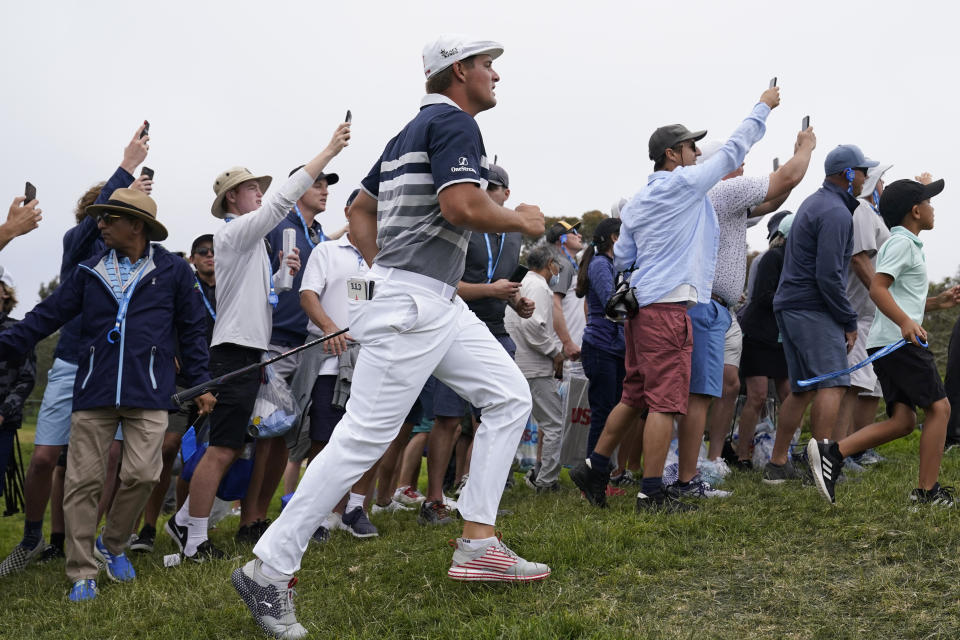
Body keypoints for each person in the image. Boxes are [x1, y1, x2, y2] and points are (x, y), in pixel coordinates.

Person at [233, 34, 548, 639]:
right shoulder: (456, 125)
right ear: (459, 72)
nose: (495, 77)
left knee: (510, 397)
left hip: (432, 300)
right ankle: (267, 570)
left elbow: (358, 209)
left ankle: (478, 541)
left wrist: (387, 271)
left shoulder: (406, 133)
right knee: (359, 440)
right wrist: (519, 218)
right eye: (488, 66)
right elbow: (460, 206)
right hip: (415, 304)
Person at [569, 83, 779, 511]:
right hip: (668, 310)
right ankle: (652, 491)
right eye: (690, 148)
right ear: (672, 155)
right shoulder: (682, 185)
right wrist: (763, 107)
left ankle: (594, 467)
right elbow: (732, 150)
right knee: (665, 402)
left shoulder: (640, 199)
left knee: (635, 396)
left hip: (641, 310)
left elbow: (625, 255)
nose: (697, 155)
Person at [0, 188, 215, 602]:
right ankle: (82, 572)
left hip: (150, 391)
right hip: (94, 391)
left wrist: (201, 382)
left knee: (144, 475)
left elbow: (192, 331)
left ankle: (112, 544)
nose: (99, 223)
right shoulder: (89, 269)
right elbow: (46, 316)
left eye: (108, 217)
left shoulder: (172, 270)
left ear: (136, 225)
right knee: (82, 483)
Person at [168, 124, 348, 562]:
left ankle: (188, 525)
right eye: (252, 190)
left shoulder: (246, 244)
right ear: (233, 198)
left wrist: (278, 276)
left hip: (248, 349)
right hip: (234, 351)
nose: (260, 196)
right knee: (224, 447)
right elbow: (284, 201)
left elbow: (256, 298)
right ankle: (192, 538)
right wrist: (327, 151)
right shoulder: (234, 232)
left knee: (232, 444)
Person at [0, 125, 149, 577]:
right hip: (69, 361)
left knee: (107, 459)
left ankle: (90, 540)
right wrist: (126, 167)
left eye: (115, 215)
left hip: (114, 368)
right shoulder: (76, 244)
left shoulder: (137, 260)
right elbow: (89, 228)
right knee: (47, 457)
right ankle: (32, 538)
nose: (105, 223)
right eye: (100, 214)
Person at [807, 177, 959, 505]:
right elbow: (878, 287)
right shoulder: (902, 244)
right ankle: (927, 492)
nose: (934, 208)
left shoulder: (905, 243)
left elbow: (902, 297)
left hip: (887, 341)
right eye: (929, 202)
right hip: (897, 342)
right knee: (940, 408)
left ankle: (833, 453)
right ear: (916, 211)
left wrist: (936, 302)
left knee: (904, 420)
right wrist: (905, 322)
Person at [679, 130, 814, 488]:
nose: (741, 163)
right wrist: (803, 149)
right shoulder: (722, 191)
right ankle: (690, 466)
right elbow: (786, 179)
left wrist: (788, 173)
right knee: (702, 390)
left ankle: (711, 459)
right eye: (734, 158)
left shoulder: (725, 198)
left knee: (728, 384)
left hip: (725, 310)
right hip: (709, 306)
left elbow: (773, 200)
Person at [421, 161, 533, 522]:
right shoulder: (463, 224)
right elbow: (444, 284)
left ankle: (477, 494)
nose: (485, 194)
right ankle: (433, 499)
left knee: (499, 415)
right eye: (480, 187)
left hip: (497, 330)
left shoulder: (513, 234)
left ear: (506, 193)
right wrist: (491, 289)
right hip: (455, 329)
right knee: (448, 420)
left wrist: (518, 301)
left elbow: (504, 285)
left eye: (492, 188)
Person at [239, 167, 341, 543]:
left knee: (285, 436)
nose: (324, 190)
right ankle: (249, 520)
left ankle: (261, 516)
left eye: (327, 185)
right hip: (273, 340)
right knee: (267, 431)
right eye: (317, 183)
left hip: (305, 342)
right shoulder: (278, 224)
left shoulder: (315, 235)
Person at [765, 145, 878, 483]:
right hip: (812, 308)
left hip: (791, 306)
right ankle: (823, 467)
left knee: (802, 388)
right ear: (847, 174)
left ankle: (777, 465)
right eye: (861, 171)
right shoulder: (836, 213)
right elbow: (828, 275)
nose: (865, 177)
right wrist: (847, 319)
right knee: (834, 382)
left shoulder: (815, 202)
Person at [130, 233, 217, 553]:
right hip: (181, 381)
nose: (210, 256)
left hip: (219, 380)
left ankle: (183, 523)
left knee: (203, 457)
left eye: (215, 252)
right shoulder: (182, 283)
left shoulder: (231, 286)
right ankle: (146, 528)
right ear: (193, 258)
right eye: (203, 252)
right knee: (166, 448)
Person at [835, 164, 893, 466]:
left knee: (870, 385)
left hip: (873, 318)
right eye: (882, 178)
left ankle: (859, 448)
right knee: (854, 383)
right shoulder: (861, 209)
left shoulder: (875, 215)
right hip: (858, 315)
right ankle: (839, 452)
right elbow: (859, 259)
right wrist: (883, 298)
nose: (885, 184)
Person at [735, 214, 795, 468]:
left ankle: (786, 450)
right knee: (757, 396)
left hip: (781, 337)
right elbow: (762, 298)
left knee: (791, 394)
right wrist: (795, 299)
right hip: (759, 335)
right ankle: (742, 455)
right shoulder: (773, 258)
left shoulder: (800, 262)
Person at [505, 243, 564, 492]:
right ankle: (547, 481)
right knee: (554, 425)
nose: (558, 269)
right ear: (549, 264)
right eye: (557, 265)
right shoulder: (539, 286)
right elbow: (532, 325)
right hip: (534, 365)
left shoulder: (523, 282)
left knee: (508, 423)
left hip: (517, 361)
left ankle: (502, 479)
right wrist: (555, 353)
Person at [575, 217, 624, 458]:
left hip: (613, 347)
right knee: (603, 413)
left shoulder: (610, 264)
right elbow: (612, 303)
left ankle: (602, 473)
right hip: (601, 347)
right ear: (615, 237)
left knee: (613, 412)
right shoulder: (601, 264)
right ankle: (593, 478)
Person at [0, 271, 37, 509]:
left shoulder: (18, 330)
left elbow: (27, 377)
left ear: (5, 293)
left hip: (3, 423)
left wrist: (3, 412)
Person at [546, 220, 585, 362]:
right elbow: (554, 303)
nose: (579, 236)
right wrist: (567, 342)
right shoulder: (562, 264)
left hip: (572, 348)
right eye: (574, 232)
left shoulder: (567, 265)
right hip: (566, 350)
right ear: (561, 238)